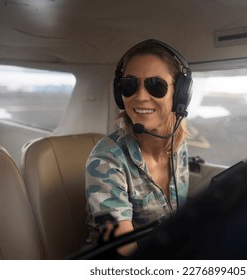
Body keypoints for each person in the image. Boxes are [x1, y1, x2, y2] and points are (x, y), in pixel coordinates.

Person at [85, 39, 192, 255]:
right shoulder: (106, 160)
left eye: (156, 86)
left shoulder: (179, 146)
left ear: (180, 93)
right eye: (129, 85)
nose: (141, 97)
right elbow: (125, 253)